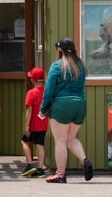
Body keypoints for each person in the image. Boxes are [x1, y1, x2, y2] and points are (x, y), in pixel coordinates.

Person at [40, 38, 93, 183]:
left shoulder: (57, 66)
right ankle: (84, 161)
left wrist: (43, 108)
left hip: (62, 105)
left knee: (60, 141)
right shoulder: (81, 65)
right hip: (79, 105)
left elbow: (49, 89)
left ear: (60, 49)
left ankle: (60, 174)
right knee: (70, 138)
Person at [20, 66, 49, 178]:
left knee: (24, 141)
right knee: (40, 145)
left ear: (33, 80)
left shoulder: (31, 93)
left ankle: (30, 164)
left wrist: (26, 125)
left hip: (33, 124)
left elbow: (29, 109)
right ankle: (40, 169)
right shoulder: (47, 92)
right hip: (43, 123)